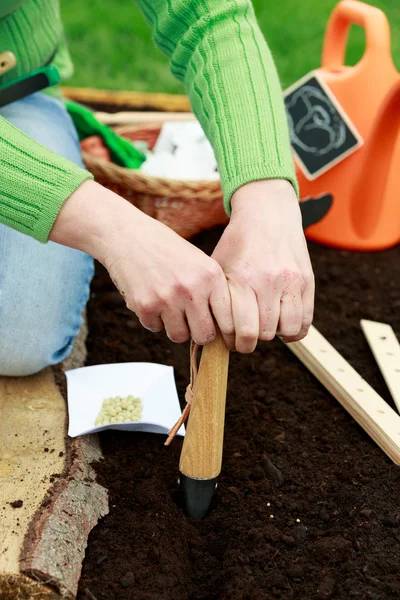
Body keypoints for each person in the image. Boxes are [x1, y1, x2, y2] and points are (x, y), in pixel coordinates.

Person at [0, 0, 314, 377]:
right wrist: (116, 230)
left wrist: (268, 200)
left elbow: (205, 15)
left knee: (16, 342)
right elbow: (112, 228)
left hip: (14, 91)